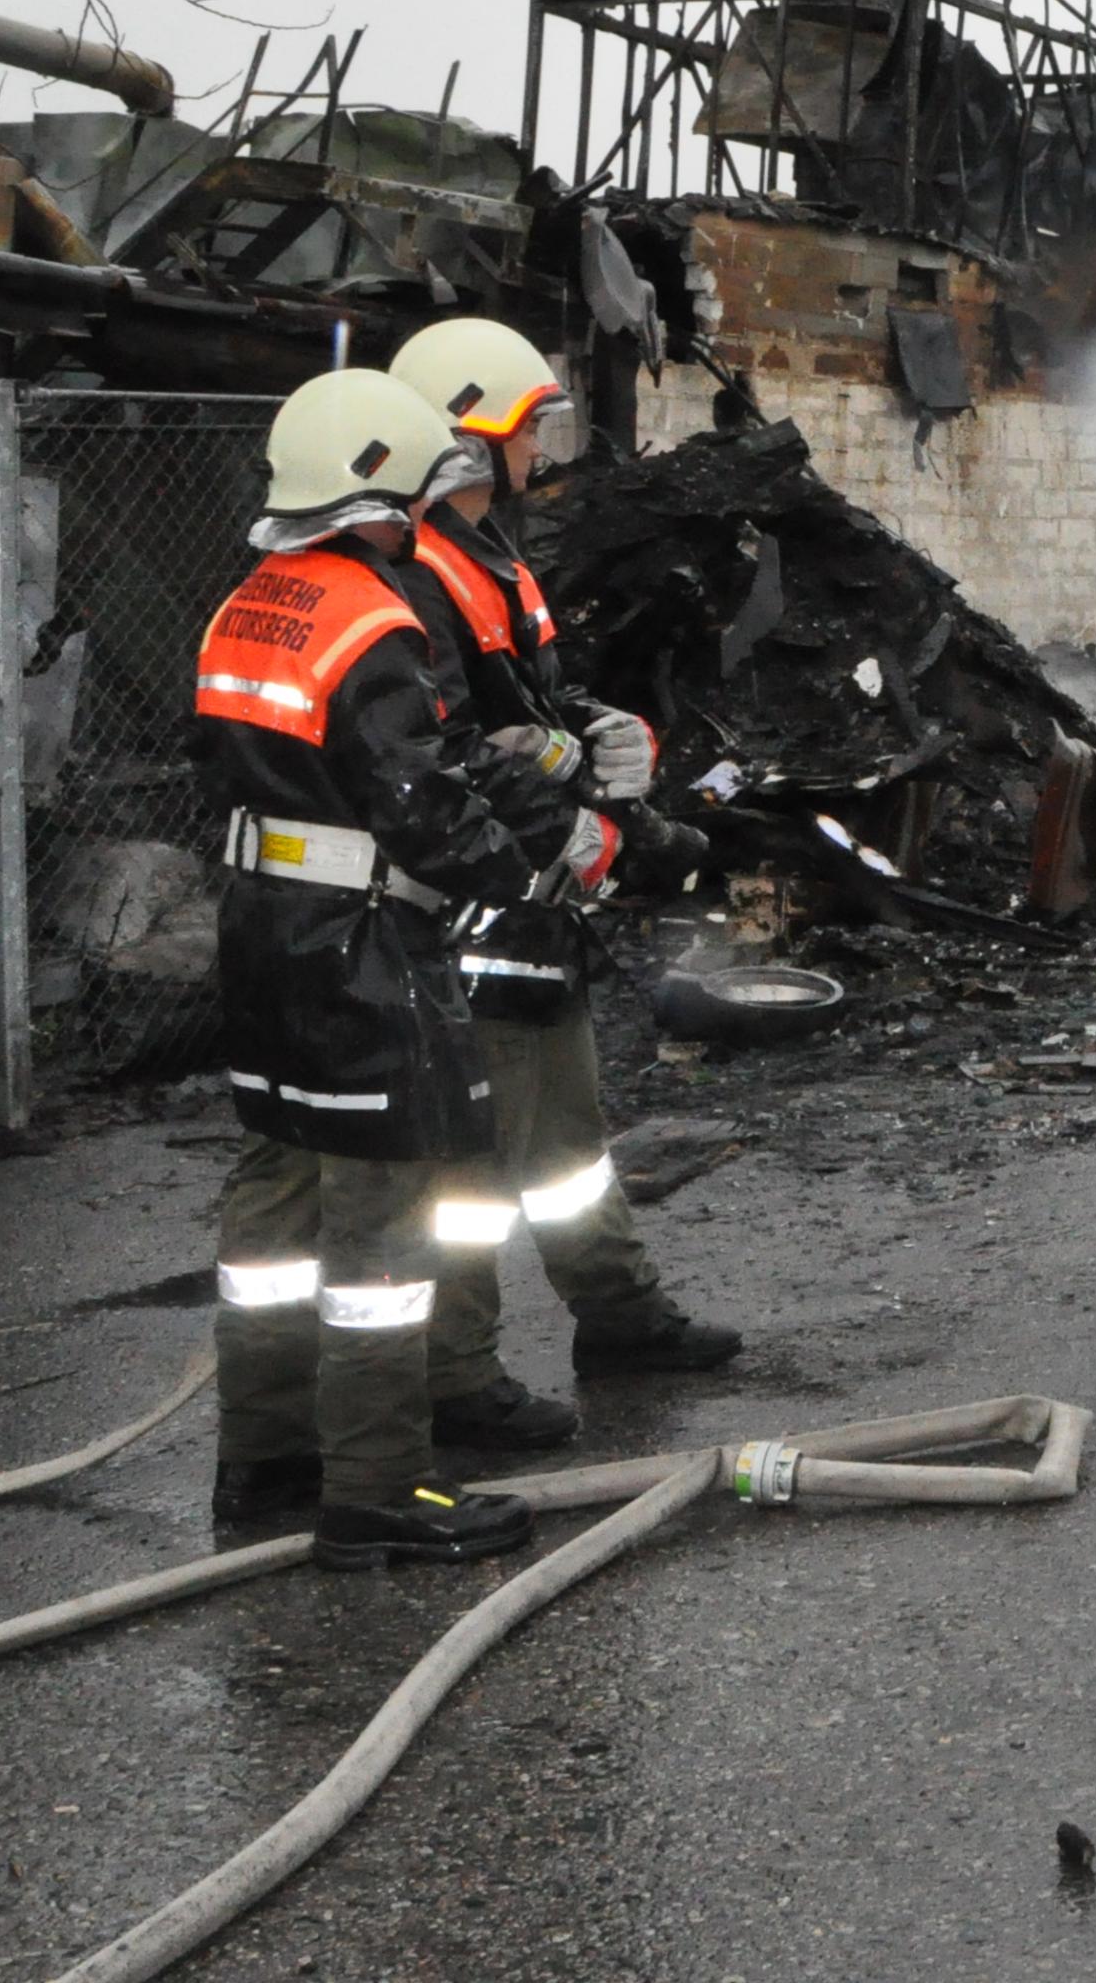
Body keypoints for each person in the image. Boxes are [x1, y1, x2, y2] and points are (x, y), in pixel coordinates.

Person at [197, 370, 608, 1566]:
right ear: (376, 492)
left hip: (261, 928)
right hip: (360, 949)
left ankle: (266, 1456)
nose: (421, 515)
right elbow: (419, 801)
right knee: (381, 1214)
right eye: (416, 492)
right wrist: (536, 875)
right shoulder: (373, 621)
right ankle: (377, 1488)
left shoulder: (247, 603)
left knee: (275, 1194)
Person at [384, 317, 740, 1457]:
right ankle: (455, 1375)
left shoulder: (485, 551)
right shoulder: (416, 569)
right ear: (468, 436)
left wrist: (593, 725)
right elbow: (450, 749)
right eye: (531, 427)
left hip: (527, 889)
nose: (544, 448)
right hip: (473, 894)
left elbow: (520, 706)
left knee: (567, 1133)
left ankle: (619, 1314)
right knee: (472, 1162)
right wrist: (588, 820)